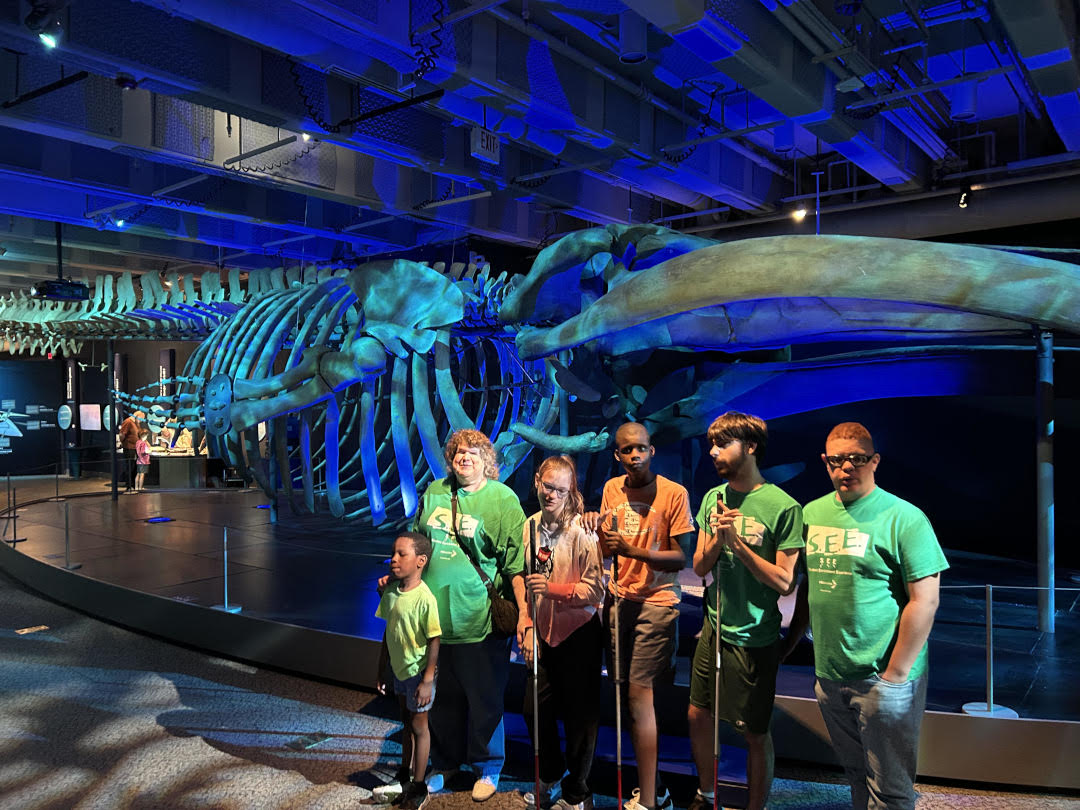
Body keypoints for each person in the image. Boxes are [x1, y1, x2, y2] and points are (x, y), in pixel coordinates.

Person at [791, 422, 948, 810]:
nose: (847, 468)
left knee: (891, 792)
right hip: (830, 675)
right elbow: (807, 589)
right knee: (857, 778)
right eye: (837, 460)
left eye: (857, 459)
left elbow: (925, 600)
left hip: (885, 680)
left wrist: (894, 676)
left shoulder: (905, 518)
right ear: (825, 463)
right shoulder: (812, 513)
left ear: (874, 461)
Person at [687, 413, 804, 810]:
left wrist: (738, 544)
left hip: (755, 637)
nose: (713, 451)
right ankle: (706, 794)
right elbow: (700, 566)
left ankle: (756, 806)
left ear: (750, 447)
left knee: (754, 732)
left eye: (723, 444)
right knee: (697, 714)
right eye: (711, 444)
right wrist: (720, 541)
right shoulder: (711, 498)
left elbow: (786, 582)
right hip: (714, 628)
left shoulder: (784, 507)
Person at [410, 428, 528, 801]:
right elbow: (418, 542)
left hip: (478, 621)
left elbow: (514, 566)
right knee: (442, 696)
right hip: (435, 621)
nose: (464, 457)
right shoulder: (434, 491)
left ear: (487, 460)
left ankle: (489, 767)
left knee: (485, 697)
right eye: (459, 451)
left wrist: (523, 615)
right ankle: (446, 763)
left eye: (473, 452)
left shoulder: (502, 500)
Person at [584, 422, 695, 810]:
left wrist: (633, 551)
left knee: (638, 697)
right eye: (627, 450)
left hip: (657, 602)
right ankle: (656, 789)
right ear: (617, 455)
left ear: (652, 451)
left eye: (641, 449)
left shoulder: (673, 494)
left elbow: (684, 557)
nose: (634, 456)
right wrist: (593, 531)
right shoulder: (613, 489)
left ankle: (649, 801)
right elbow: (606, 544)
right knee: (627, 700)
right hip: (618, 601)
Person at [520, 456, 604, 810]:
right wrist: (526, 626)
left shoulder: (582, 531)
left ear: (571, 492)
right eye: (547, 486)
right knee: (532, 708)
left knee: (579, 715)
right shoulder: (530, 525)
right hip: (543, 631)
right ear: (537, 481)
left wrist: (552, 590)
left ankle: (577, 791)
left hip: (579, 633)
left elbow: (595, 591)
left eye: (560, 489)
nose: (551, 494)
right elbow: (527, 581)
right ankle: (551, 774)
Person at [376, 531, 442, 810]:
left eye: (402, 554)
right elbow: (387, 634)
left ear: (421, 561)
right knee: (406, 721)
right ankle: (405, 773)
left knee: (419, 725)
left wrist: (427, 679)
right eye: (394, 553)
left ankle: (419, 784)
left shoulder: (426, 598)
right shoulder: (391, 593)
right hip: (399, 671)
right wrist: (381, 670)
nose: (394, 559)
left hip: (418, 673)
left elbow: (434, 639)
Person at [118, 410, 143, 492]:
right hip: (129, 448)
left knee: (134, 467)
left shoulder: (136, 423)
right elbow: (122, 434)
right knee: (130, 467)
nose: (141, 421)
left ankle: (132, 485)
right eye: (141, 419)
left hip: (135, 448)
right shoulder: (128, 422)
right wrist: (122, 443)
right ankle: (129, 486)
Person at [134, 428, 151, 493]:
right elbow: (144, 451)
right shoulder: (143, 443)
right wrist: (148, 451)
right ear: (143, 435)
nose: (146, 437)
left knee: (138, 474)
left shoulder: (138, 442)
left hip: (139, 460)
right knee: (142, 475)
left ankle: (136, 487)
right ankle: (140, 488)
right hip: (144, 461)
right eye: (146, 435)